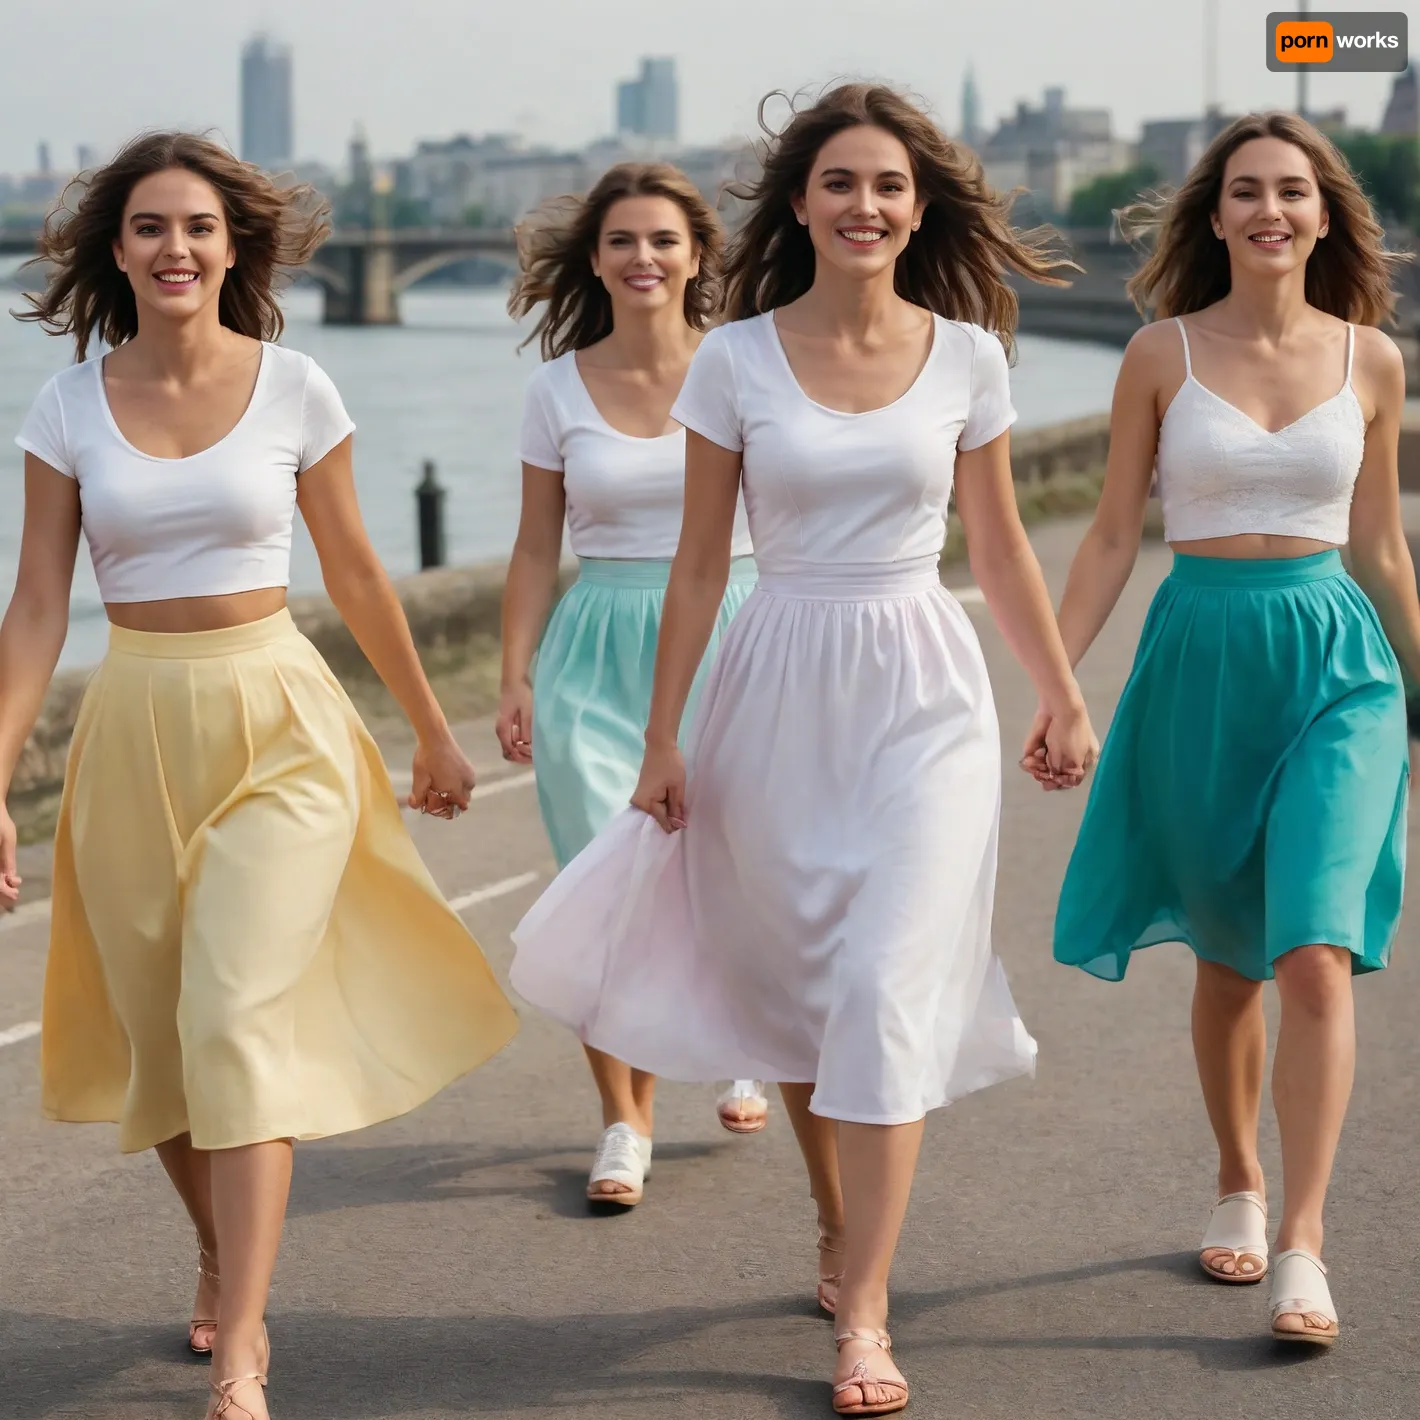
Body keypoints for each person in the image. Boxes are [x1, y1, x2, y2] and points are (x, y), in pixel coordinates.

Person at [510, 83, 1096, 1414]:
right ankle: (837, 1221)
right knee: (794, 984)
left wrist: (1061, 692)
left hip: (922, 692)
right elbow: (704, 565)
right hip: (772, 687)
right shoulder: (736, 361)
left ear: (922, 203)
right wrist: (662, 738)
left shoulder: (968, 356)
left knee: (886, 985)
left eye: (888, 185)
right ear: (798, 204)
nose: (865, 206)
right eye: (839, 183)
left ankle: (868, 1313)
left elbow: (997, 547)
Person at [0, 132, 519, 1419]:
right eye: (149, 228)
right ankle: (225, 1244)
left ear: (235, 246)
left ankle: (241, 1346)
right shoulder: (67, 406)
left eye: (198, 227)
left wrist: (429, 731)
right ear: (114, 251)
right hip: (132, 731)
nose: (175, 248)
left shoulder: (298, 388)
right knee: (165, 1046)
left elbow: (350, 571)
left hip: (278, 722)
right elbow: (34, 612)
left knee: (233, 1017)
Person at [1046, 111, 1417, 1347]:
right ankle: (1237, 1178)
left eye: (1292, 192)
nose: (1270, 210)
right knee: (1227, 961)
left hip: (1333, 665)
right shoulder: (1159, 353)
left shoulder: (1372, 360)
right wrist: (1057, 678)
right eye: (1246, 191)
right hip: (1198, 655)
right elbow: (1109, 533)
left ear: (1323, 215)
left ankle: (1302, 1242)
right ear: (1212, 216)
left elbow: (1379, 544)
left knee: (1315, 945)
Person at [499, 163, 769, 1209]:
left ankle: (743, 1031)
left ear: (699, 255)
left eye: (663, 239)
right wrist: (515, 670)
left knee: (733, 868)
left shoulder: (743, 368)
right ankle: (624, 1117)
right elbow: (531, 550)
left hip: (732, 633)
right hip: (595, 647)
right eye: (622, 240)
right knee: (604, 886)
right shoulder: (554, 390)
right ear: (595, 258)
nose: (643, 258)